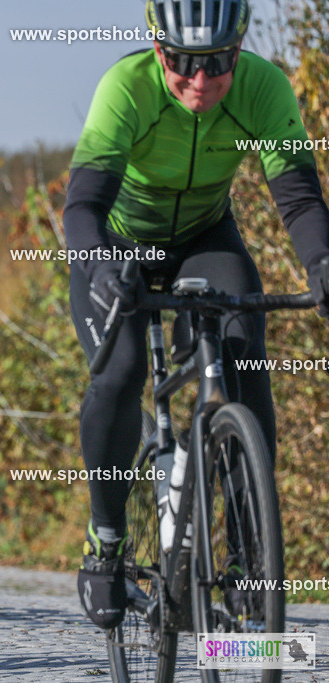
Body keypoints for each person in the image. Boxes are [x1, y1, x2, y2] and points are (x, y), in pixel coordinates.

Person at [66, 0, 329, 630]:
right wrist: (101, 270)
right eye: (182, 62)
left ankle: (246, 560)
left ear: (238, 50)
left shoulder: (264, 89)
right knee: (122, 369)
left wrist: (321, 264)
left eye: (217, 63)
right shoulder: (125, 88)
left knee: (240, 354)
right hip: (118, 246)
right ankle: (106, 546)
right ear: (159, 51)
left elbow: (297, 199)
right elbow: (82, 208)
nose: (201, 81)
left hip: (205, 238)